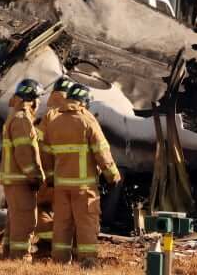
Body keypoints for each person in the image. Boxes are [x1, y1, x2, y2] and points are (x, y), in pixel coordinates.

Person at [42, 82, 120, 268]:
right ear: (84, 101)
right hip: (84, 187)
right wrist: (113, 176)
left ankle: (59, 261)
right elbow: (102, 151)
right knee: (86, 223)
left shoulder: (54, 122)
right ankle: (88, 261)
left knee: (62, 224)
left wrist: (51, 178)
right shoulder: (87, 121)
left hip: (61, 186)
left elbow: (46, 155)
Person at [1, 79, 44, 261]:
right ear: (32, 99)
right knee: (25, 220)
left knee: (15, 219)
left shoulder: (15, 116)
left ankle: (8, 253)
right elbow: (24, 152)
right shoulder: (22, 119)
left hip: (13, 179)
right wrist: (34, 176)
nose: (39, 102)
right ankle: (20, 258)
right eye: (38, 98)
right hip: (21, 179)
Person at [35, 76, 74, 252]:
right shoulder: (77, 116)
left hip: (48, 173)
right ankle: (65, 246)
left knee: (43, 208)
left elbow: (38, 144)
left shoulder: (48, 116)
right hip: (70, 174)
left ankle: (46, 243)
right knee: (66, 211)